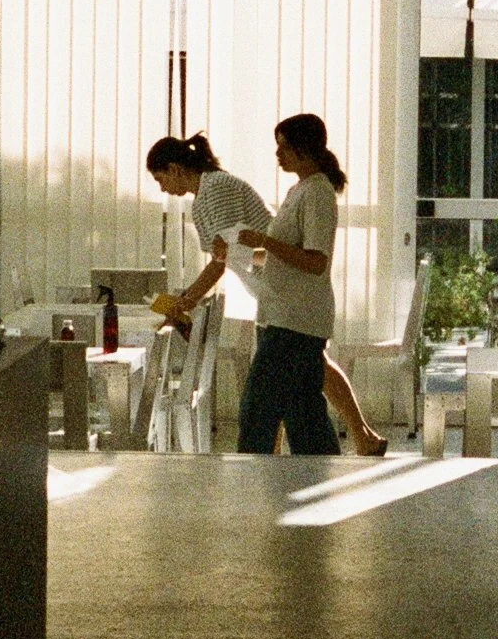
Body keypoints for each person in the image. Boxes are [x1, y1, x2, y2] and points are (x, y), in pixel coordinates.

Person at [145, 129, 385, 454]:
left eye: (161, 179)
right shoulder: (284, 189)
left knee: (266, 405)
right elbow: (236, 252)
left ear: (175, 169)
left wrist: (186, 301)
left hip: (288, 301)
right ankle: (356, 441)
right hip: (281, 298)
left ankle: (271, 465)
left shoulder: (215, 191)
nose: (163, 188)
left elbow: (229, 257)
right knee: (302, 398)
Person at [233, 112, 346, 456]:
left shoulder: (317, 194)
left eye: (283, 147)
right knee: (303, 412)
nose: (277, 154)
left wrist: (265, 242)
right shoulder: (299, 191)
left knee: (258, 410)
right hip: (281, 315)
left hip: (295, 322)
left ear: (302, 149)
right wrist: (242, 255)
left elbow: (315, 261)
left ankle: (250, 473)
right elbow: (287, 257)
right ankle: (321, 474)